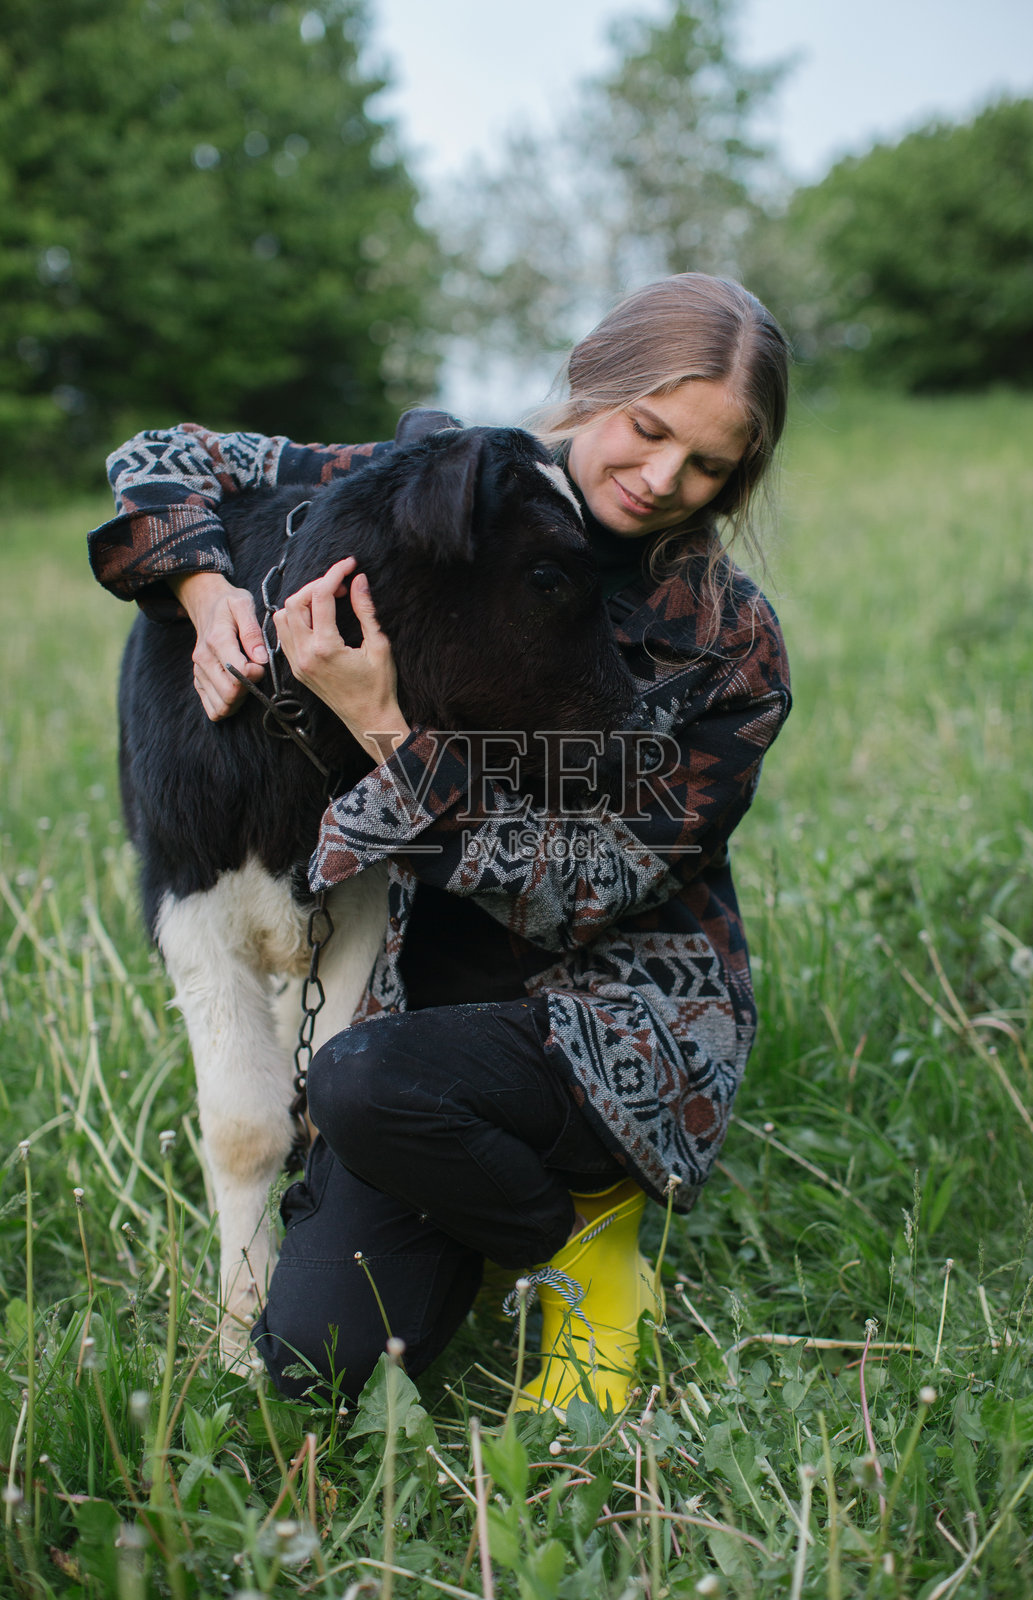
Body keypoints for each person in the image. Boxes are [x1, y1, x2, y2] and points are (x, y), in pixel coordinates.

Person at [88, 272, 792, 1411]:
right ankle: (466, 1198)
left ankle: (582, 1234)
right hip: (409, 1001)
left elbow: (591, 884)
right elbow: (166, 453)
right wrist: (206, 586)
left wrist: (383, 728)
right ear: (590, 385)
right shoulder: (442, 488)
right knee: (315, 1359)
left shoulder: (725, 644)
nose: (663, 477)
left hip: (609, 1009)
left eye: (708, 464)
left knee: (359, 1081)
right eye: (647, 428)